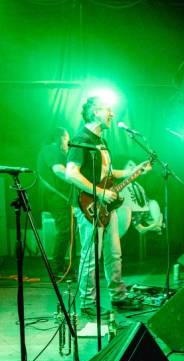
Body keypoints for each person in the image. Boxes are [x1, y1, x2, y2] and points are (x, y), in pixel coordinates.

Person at [66, 96, 151, 314]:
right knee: (90, 257)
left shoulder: (101, 141)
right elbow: (71, 173)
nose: (112, 114)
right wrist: (100, 193)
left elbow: (109, 173)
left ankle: (118, 296)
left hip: (105, 205)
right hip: (88, 206)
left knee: (113, 253)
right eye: (108, 110)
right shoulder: (81, 139)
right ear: (95, 112)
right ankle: (87, 304)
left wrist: (133, 171)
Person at [37, 126, 74, 278]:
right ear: (59, 137)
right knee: (64, 230)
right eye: (66, 138)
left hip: (60, 197)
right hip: (57, 197)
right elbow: (58, 170)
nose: (68, 142)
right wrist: (77, 180)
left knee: (68, 230)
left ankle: (63, 266)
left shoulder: (51, 150)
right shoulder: (51, 149)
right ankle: (57, 268)